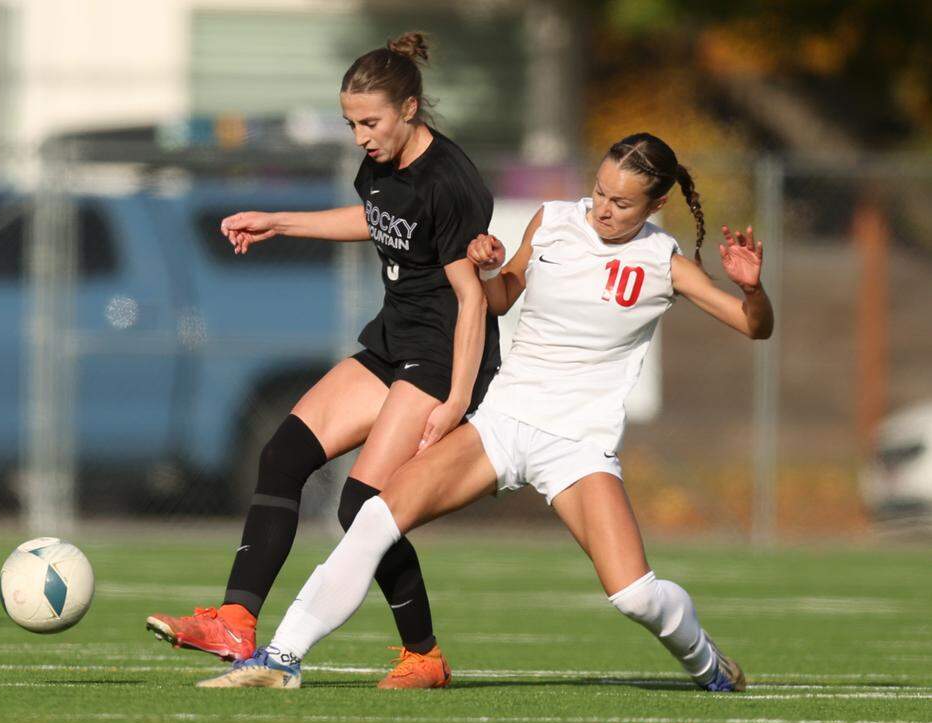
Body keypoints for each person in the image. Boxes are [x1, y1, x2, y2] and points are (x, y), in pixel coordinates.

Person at [196, 132, 774, 690]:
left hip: (575, 444)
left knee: (634, 596)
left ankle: (706, 663)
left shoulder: (664, 262)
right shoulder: (553, 220)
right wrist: (487, 265)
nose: (602, 208)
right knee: (374, 517)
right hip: (500, 423)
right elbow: (500, 299)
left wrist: (752, 289)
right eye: (599, 191)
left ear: (658, 204)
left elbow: (754, 327)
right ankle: (283, 657)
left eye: (621, 202)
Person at [146, 32, 500, 689]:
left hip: (441, 357)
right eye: (351, 123)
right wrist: (279, 220)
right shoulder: (380, 165)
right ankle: (234, 620)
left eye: (371, 122)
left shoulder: (450, 181)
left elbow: (472, 301)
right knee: (283, 454)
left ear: (411, 110)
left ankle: (422, 654)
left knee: (364, 501)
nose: (361, 135)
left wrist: (455, 399)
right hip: (393, 343)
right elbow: (373, 219)